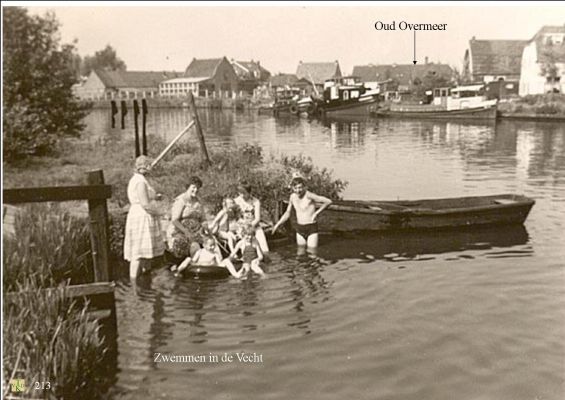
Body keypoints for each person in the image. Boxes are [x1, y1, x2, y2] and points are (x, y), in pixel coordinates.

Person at [124, 155, 165, 279]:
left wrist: (155, 197)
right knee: (138, 252)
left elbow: (145, 197)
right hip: (141, 217)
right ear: (144, 167)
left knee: (145, 252)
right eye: (149, 166)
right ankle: (134, 283)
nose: (150, 168)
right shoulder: (140, 181)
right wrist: (161, 213)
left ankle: (144, 280)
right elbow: (145, 205)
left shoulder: (140, 179)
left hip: (142, 216)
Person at [271, 176, 332, 248]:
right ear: (293, 188)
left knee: (312, 252)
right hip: (299, 228)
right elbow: (287, 212)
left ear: (304, 187)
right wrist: (277, 225)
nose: (298, 190)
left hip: (311, 228)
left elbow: (328, 201)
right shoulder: (292, 197)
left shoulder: (309, 195)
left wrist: (316, 213)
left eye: (300, 187)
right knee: (300, 252)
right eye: (295, 188)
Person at [167, 176, 206, 261]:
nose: (196, 190)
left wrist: (206, 228)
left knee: (210, 241)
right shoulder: (181, 200)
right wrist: (186, 232)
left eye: (198, 188)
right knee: (193, 245)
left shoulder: (198, 202)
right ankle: (191, 263)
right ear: (188, 187)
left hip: (196, 231)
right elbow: (175, 220)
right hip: (180, 231)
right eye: (193, 187)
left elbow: (203, 219)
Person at [173, 236, 240, 278]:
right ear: (204, 245)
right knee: (188, 259)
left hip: (211, 267)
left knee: (226, 261)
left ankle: (236, 274)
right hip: (199, 265)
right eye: (210, 245)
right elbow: (194, 261)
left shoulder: (215, 254)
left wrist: (219, 263)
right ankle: (178, 271)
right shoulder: (200, 251)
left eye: (214, 245)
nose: (213, 247)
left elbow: (219, 264)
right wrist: (191, 262)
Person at [234, 181, 270, 253]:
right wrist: (244, 226)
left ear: (249, 192)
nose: (242, 195)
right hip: (242, 227)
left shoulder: (256, 201)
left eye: (244, 193)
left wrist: (250, 226)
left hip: (254, 226)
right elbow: (236, 218)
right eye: (240, 193)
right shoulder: (236, 201)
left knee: (264, 248)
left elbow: (257, 218)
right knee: (246, 247)